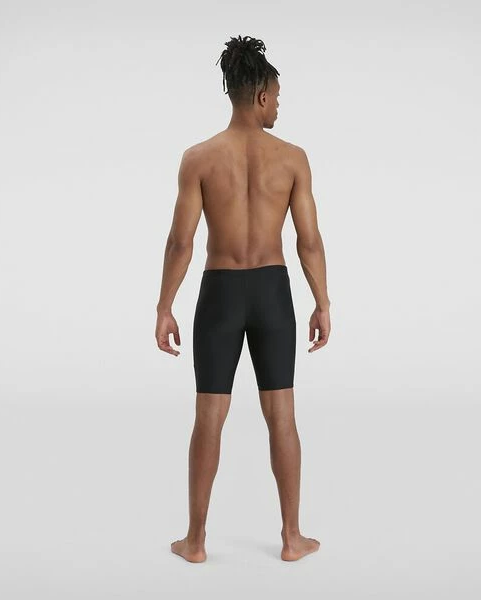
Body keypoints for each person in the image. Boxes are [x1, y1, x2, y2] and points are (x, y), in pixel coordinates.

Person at [155, 34, 331, 563]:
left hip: (221, 294)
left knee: (209, 417)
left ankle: (195, 541)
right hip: (272, 292)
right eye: (277, 97)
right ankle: (292, 538)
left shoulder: (199, 158)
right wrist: (322, 301)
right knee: (283, 416)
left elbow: (181, 241)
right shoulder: (293, 159)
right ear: (260, 96)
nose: (278, 106)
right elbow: (308, 241)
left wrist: (164, 306)